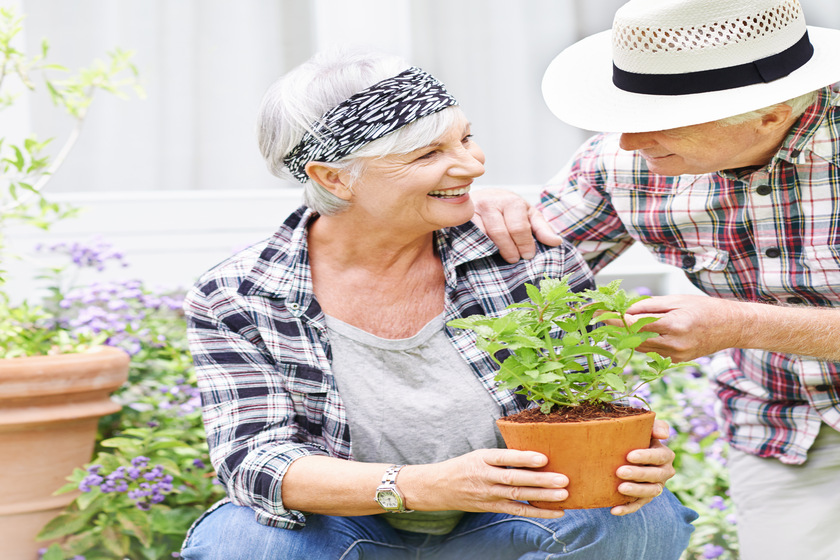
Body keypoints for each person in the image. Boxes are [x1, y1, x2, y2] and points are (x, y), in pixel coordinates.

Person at [179, 48, 696, 560]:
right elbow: (256, 459)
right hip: (343, 528)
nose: (473, 165)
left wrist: (635, 455)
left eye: (466, 138)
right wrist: (424, 485)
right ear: (333, 178)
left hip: (512, 518)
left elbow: (596, 400)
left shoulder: (520, 252)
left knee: (639, 524)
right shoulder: (239, 295)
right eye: (428, 154)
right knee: (245, 545)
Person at [471, 1, 840, 559]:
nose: (626, 142)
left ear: (768, 114)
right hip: (781, 425)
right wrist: (464, 209)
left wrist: (741, 323)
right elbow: (512, 274)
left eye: (654, 120)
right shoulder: (624, 164)